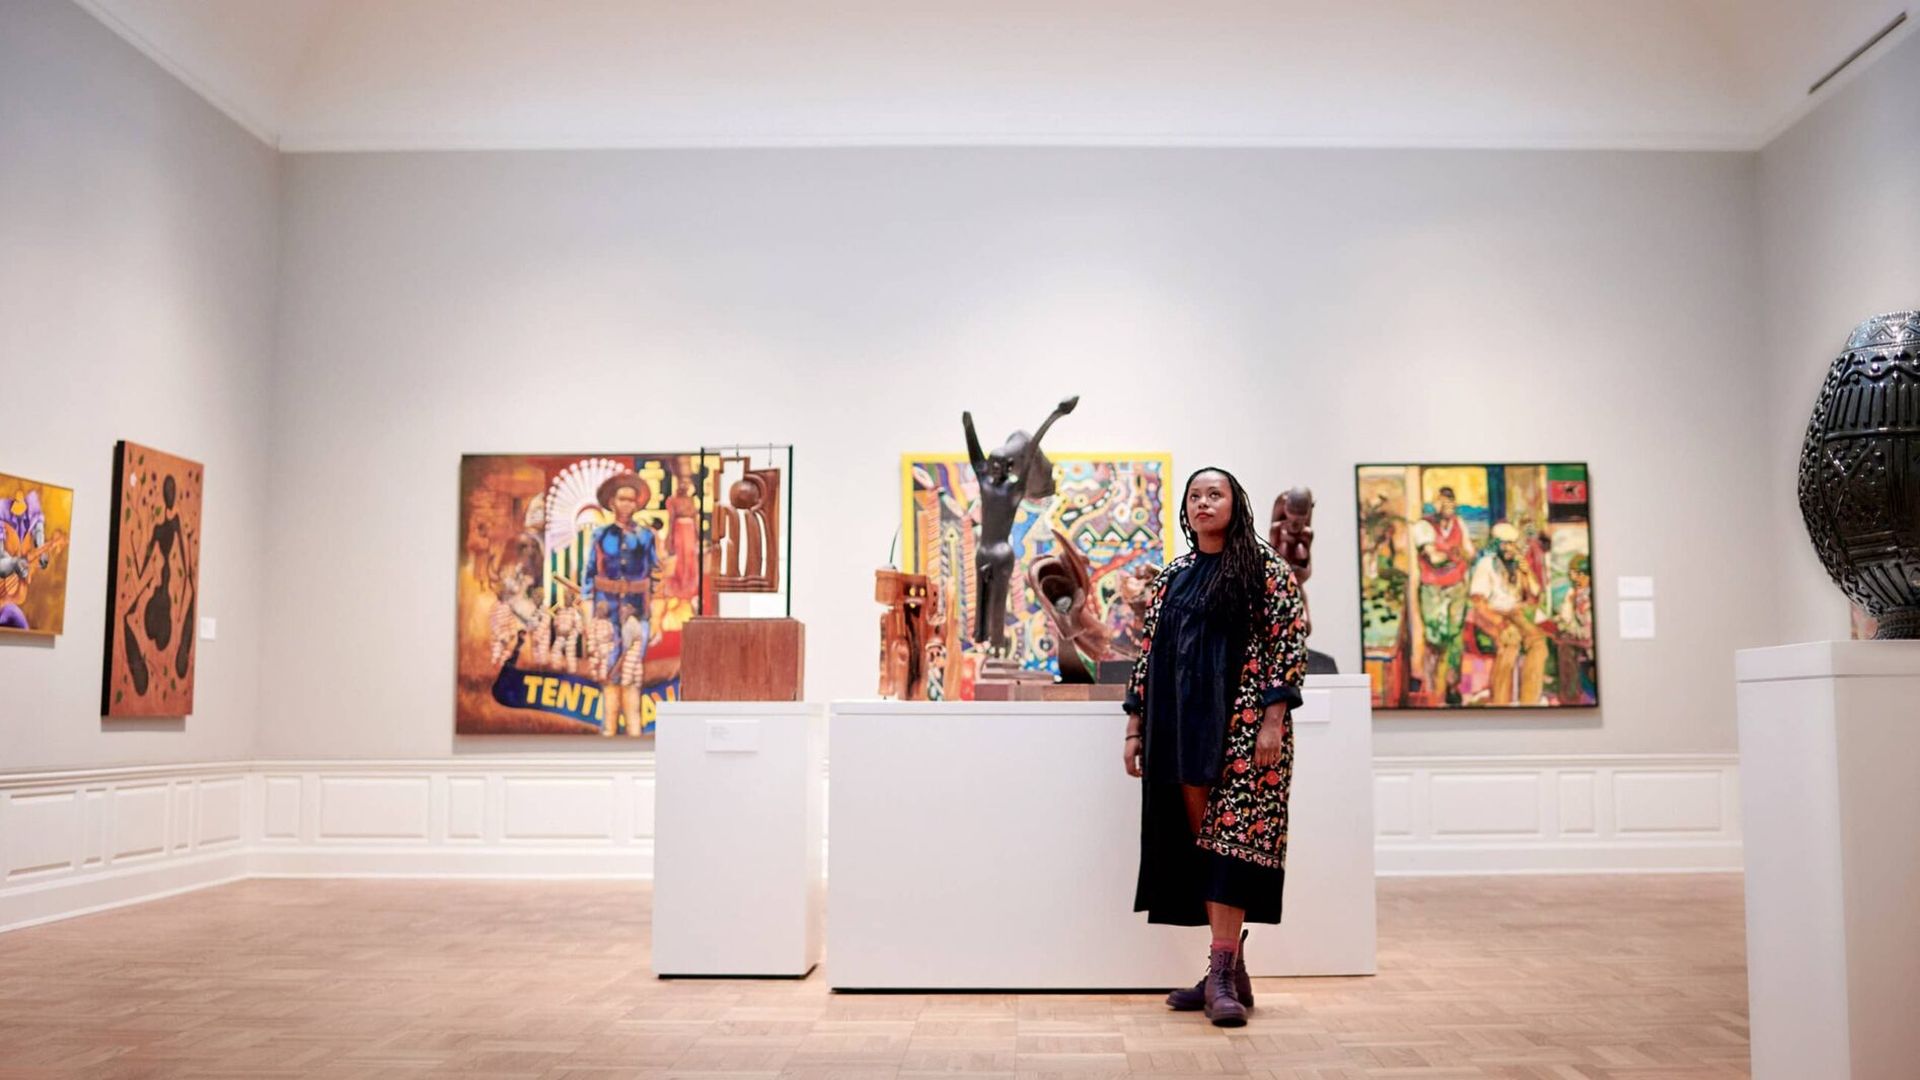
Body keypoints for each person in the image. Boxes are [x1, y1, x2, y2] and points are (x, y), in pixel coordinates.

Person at [1123, 467, 1308, 1027]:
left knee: (1233, 846)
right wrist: (1135, 725)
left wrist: (1273, 721)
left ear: (1235, 503)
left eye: (1215, 494)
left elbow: (1288, 645)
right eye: (1195, 495)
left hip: (1245, 731)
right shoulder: (1174, 576)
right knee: (1201, 846)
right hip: (1179, 730)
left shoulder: (1265, 570)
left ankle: (1221, 976)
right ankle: (1228, 968)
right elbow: (1148, 653)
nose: (1204, 503)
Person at [582, 473, 660, 736]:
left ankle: (635, 736)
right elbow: (588, 580)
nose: (627, 504)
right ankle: (609, 734)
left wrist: (656, 618)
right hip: (606, 613)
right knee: (608, 677)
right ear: (612, 502)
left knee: (631, 676)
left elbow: (656, 579)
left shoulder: (647, 537)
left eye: (631, 499)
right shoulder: (600, 536)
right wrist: (588, 620)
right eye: (622, 499)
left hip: (637, 613)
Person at [1468, 521, 1547, 705]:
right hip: (1491, 614)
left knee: (1538, 643)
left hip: (1515, 612)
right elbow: (1479, 603)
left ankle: (1529, 700)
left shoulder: (1518, 565)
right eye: (1505, 544)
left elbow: (1535, 593)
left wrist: (1527, 573)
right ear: (1496, 545)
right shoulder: (1486, 565)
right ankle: (1501, 701)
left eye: (1512, 543)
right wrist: (1500, 623)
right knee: (1510, 641)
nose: (1509, 548)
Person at [1414, 486, 1474, 704]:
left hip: (1456, 587)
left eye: (1450, 502)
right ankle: (1432, 688)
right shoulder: (1423, 526)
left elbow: (1470, 553)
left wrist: (1454, 555)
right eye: (1442, 502)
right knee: (1434, 636)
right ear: (1435, 504)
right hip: (1433, 589)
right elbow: (1433, 558)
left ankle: (1452, 685)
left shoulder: (1460, 525)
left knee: (1455, 637)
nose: (1446, 506)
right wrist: (1455, 555)